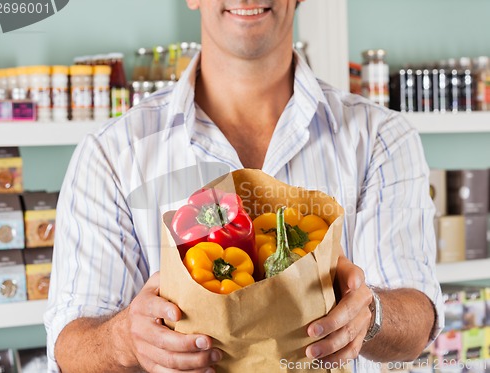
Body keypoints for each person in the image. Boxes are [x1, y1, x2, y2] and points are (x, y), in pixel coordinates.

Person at [44, 0, 444, 372]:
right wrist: (123, 341)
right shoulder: (111, 153)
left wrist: (371, 315)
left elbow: (418, 319)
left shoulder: (381, 138)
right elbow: (68, 343)